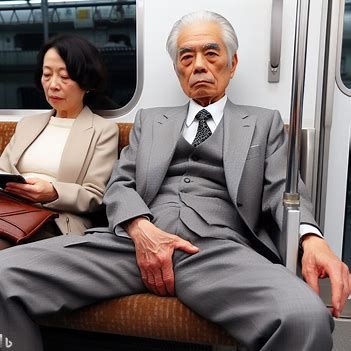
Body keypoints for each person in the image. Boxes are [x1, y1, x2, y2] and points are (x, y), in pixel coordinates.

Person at [0, 11, 349, 351]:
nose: (198, 64)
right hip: (130, 245)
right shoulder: (151, 121)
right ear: (177, 68)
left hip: (217, 251)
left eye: (211, 53)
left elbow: (283, 192)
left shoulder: (262, 123)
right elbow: (119, 185)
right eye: (187, 56)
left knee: (305, 318)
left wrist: (312, 239)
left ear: (233, 63)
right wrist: (139, 227)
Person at [0, 34, 118, 249]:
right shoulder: (27, 124)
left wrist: (52, 192)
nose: (53, 85)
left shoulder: (103, 130)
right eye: (47, 75)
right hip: (9, 211)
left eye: (64, 77)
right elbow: (3, 171)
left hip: (56, 219)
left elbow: (95, 196)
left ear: (86, 81)